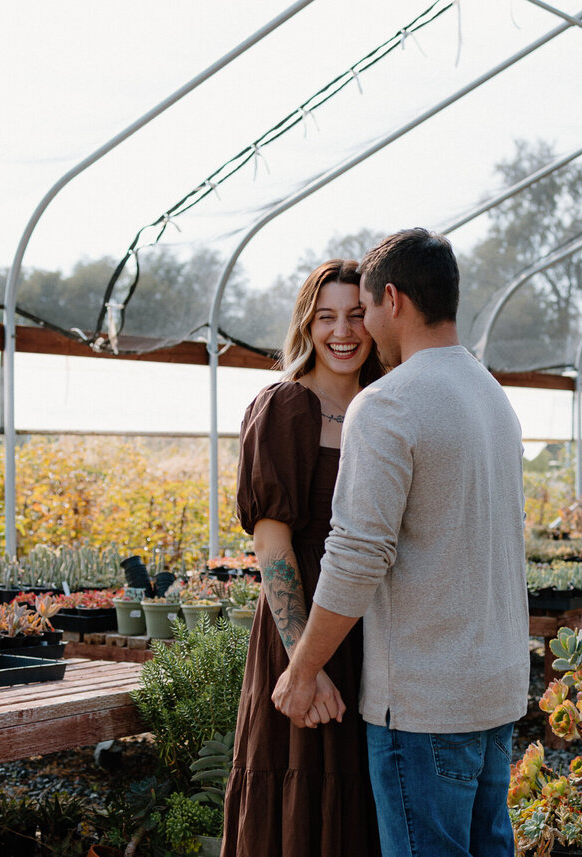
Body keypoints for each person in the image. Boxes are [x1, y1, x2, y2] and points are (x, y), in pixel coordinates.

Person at [272, 229, 530, 857]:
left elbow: (358, 555)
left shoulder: (388, 404)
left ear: (392, 300)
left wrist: (302, 670)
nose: (361, 329)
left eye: (364, 310)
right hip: (494, 691)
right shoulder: (490, 394)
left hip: (425, 707)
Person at [221, 259, 383, 857]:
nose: (342, 332)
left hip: (374, 626)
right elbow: (271, 546)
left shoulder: (384, 404)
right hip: (304, 624)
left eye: (357, 315)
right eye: (326, 317)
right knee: (303, 778)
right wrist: (304, 666)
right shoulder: (286, 406)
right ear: (306, 326)